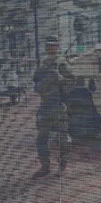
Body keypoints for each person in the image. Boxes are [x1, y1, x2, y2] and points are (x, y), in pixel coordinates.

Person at [32, 42, 70, 177]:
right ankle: (45, 166)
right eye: (48, 45)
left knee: (63, 139)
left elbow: (70, 85)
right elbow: (36, 86)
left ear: (57, 47)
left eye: (53, 45)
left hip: (59, 106)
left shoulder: (63, 64)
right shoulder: (42, 65)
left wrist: (59, 78)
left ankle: (62, 166)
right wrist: (48, 80)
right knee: (41, 139)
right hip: (45, 106)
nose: (50, 48)